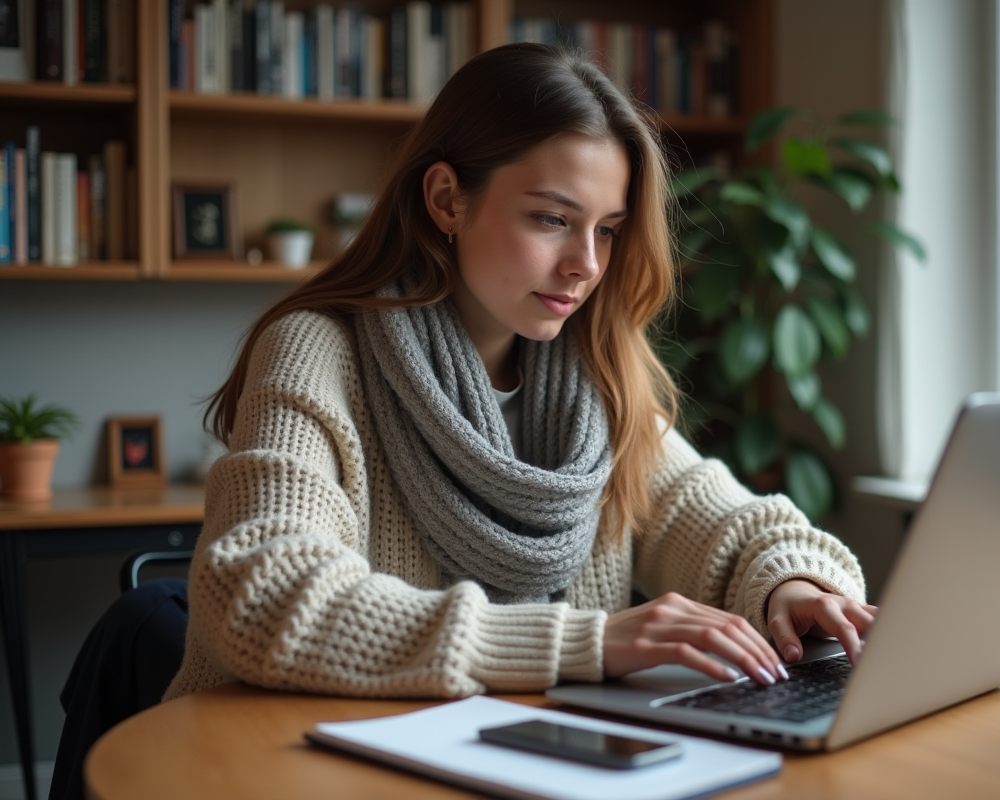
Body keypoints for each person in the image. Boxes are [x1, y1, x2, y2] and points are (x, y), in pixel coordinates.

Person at [51, 41, 874, 800]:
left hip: (510, 766)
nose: (586, 265)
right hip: (294, 769)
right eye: (551, 219)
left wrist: (792, 582)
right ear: (447, 198)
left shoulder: (598, 377)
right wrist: (585, 642)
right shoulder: (317, 352)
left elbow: (725, 522)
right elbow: (263, 597)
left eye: (608, 230)